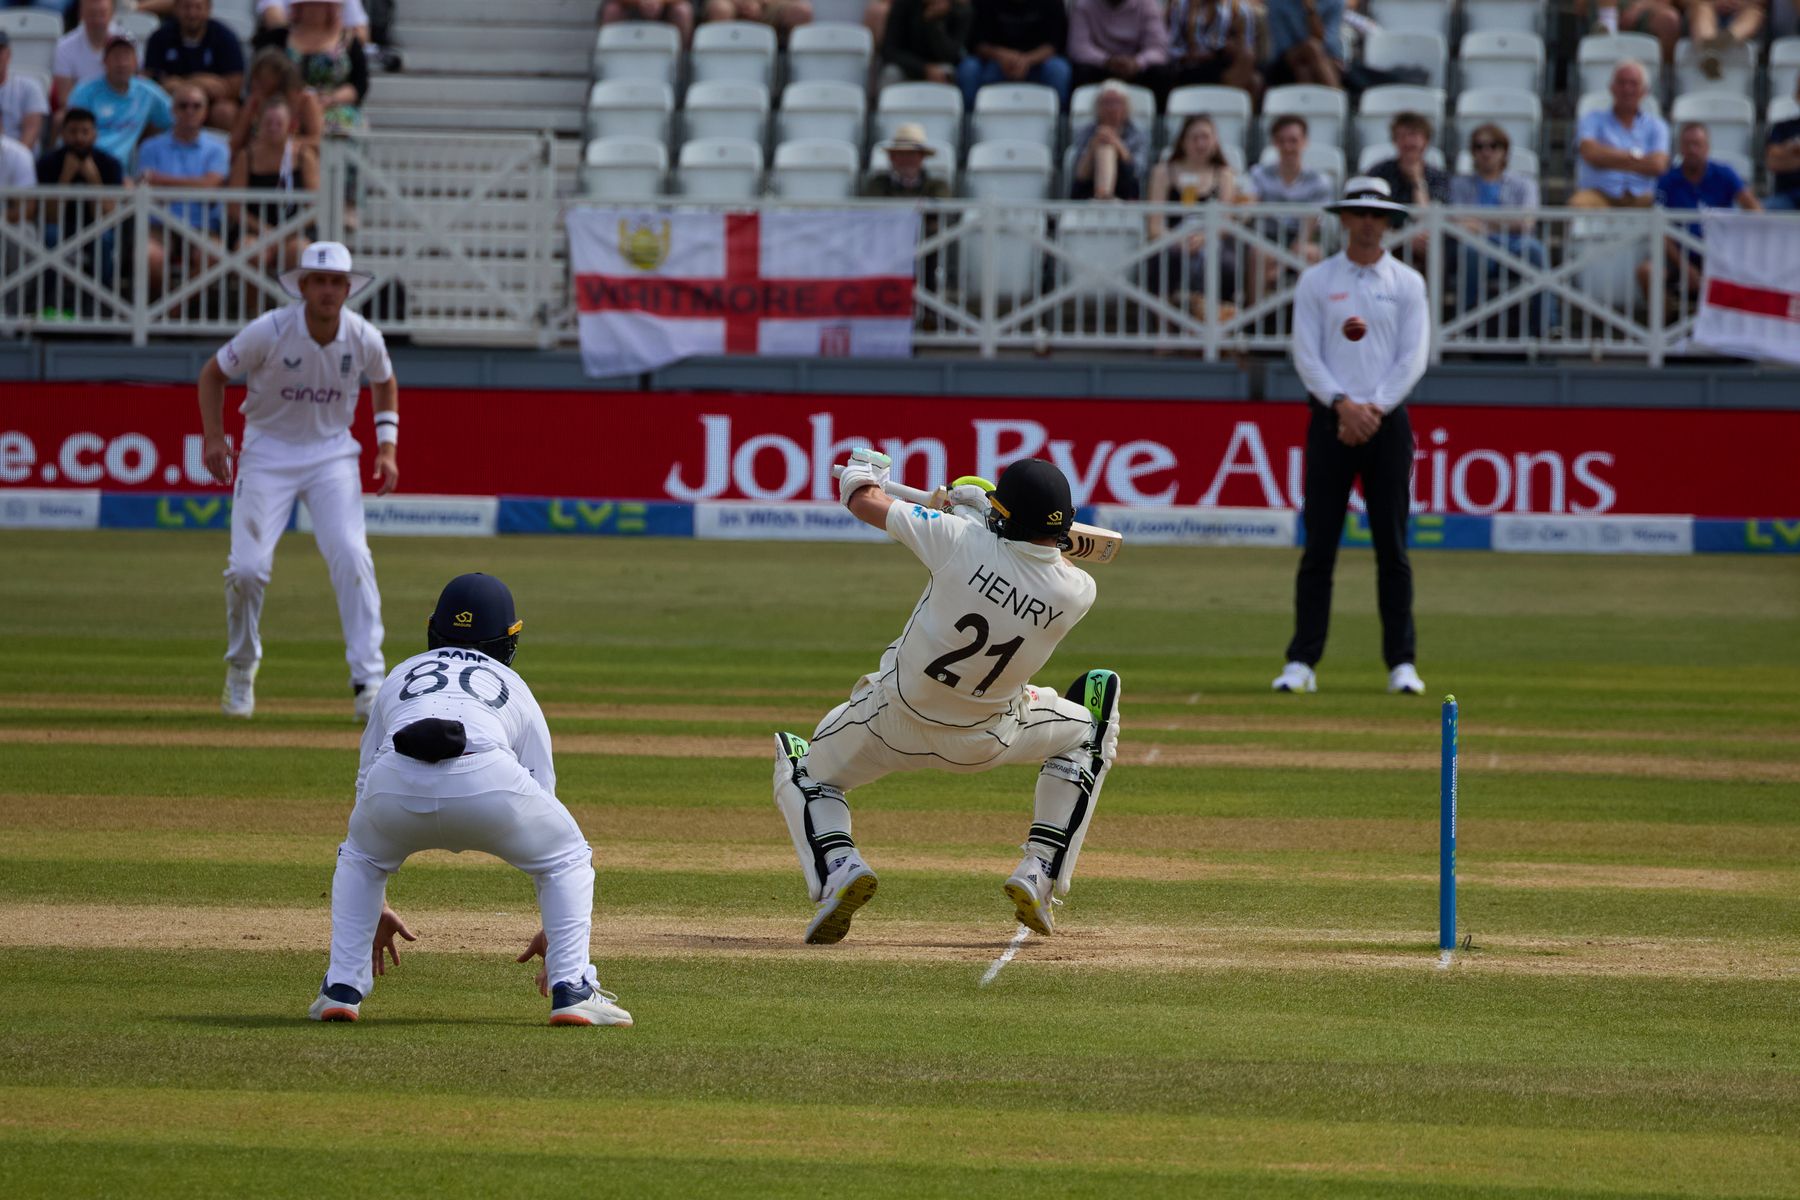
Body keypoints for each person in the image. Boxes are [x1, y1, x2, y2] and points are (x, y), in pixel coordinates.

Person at [775, 451, 1121, 943]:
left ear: (1003, 517)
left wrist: (864, 474)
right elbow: (1039, 559)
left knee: (803, 770)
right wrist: (982, 515)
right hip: (989, 737)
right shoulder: (1079, 592)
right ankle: (1040, 870)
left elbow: (863, 502)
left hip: (889, 723)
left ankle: (838, 866)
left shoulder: (956, 540)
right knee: (1088, 729)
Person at [308, 572, 634, 1028]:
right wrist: (559, 932)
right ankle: (572, 986)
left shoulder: (400, 674)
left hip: (395, 781)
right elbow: (543, 796)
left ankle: (340, 988)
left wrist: (372, 902)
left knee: (359, 857)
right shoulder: (514, 686)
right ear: (509, 640)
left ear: (432, 628)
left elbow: (366, 784)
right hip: (488, 780)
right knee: (567, 856)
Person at [197, 241, 396, 721]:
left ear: (347, 289)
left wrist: (386, 447)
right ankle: (241, 668)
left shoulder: (364, 336)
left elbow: (384, 381)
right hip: (267, 452)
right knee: (246, 569)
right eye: (319, 281)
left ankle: (369, 682)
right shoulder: (270, 330)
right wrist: (214, 438)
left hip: (332, 455)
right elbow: (212, 375)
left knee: (352, 555)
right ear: (303, 286)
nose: (328, 291)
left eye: (336, 283)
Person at [1275, 176, 1428, 697]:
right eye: (1358, 213)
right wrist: (1343, 405)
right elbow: (1306, 354)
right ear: (1344, 219)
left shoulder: (1407, 282)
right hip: (1330, 420)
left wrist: (1373, 409)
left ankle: (1401, 663)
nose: (1367, 222)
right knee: (1319, 547)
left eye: (1376, 214)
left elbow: (1413, 357)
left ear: (1387, 221)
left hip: (1386, 424)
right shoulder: (1318, 280)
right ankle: (1302, 661)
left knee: (1393, 547)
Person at [1450, 122, 1556, 336]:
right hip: (1478, 246)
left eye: (1493, 145)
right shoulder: (1458, 184)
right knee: (1470, 253)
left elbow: (1526, 223)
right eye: (1479, 147)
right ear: (1473, 152)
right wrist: (1506, 221)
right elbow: (1456, 221)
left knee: (1536, 251)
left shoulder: (1525, 184)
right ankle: (1466, 327)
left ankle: (1547, 327)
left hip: (1516, 244)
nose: (1486, 152)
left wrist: (1481, 222)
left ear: (1504, 151)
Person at [1638, 120, 1761, 299]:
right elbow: (1659, 229)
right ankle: (1667, 323)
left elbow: (1754, 208)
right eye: (1687, 144)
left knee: (1754, 269)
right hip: (1679, 258)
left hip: (1721, 256)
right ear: (1680, 148)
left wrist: (1739, 244)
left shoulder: (1724, 174)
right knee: (1647, 271)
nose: (1692, 149)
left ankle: (1730, 325)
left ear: (1707, 147)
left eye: (1697, 144)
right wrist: (1686, 268)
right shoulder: (1667, 181)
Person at [33, 107, 125, 312]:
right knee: (50, 236)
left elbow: (111, 215)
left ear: (95, 134)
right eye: (73, 132)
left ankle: (102, 303)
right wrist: (65, 178)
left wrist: (94, 181)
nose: (79, 138)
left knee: (105, 239)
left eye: (85, 132)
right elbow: (50, 216)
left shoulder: (110, 164)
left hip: (95, 226)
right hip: (60, 225)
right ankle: (46, 301)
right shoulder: (48, 163)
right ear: (63, 134)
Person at [228, 95, 317, 299]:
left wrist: (284, 233)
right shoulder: (246, 156)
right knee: (250, 251)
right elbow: (234, 207)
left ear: (290, 125)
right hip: (254, 228)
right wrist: (265, 231)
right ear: (259, 124)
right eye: (269, 123)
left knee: (301, 252)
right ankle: (253, 312)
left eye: (279, 123)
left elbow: (315, 206)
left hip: (296, 229)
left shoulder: (304, 155)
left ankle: (294, 312)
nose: (273, 128)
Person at [1147, 113, 1237, 304]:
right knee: (1164, 260)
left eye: (1205, 137)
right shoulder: (1163, 172)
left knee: (1227, 265)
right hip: (1172, 238)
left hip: (1211, 239)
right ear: (1182, 141)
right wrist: (1177, 240)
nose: (1200, 144)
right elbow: (1155, 225)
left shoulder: (1224, 174)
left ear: (1215, 141)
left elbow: (1226, 222)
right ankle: (1165, 327)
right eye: (1194, 138)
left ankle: (1218, 321)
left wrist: (1204, 238)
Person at [1241, 113, 1331, 300]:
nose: (1288, 147)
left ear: (1304, 142)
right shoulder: (1259, 174)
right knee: (1259, 254)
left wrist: (1285, 259)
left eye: (1293, 140)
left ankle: (1310, 322)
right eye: (1282, 141)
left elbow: (1313, 221)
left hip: (1302, 238)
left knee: (1311, 255)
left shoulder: (1319, 181)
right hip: (1267, 239)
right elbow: (1249, 203)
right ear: (1274, 143)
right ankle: (1255, 323)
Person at [1571, 61, 1670, 208]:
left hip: (1643, 197)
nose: (1627, 89)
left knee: (1666, 210)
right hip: (1599, 194)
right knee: (1578, 204)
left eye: (1633, 83)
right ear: (1612, 88)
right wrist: (1637, 157)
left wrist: (1606, 158)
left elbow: (1658, 165)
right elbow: (1590, 153)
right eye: (1622, 82)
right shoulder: (1591, 119)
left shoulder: (1657, 125)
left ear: (1644, 91)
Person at [264, 0, 367, 139]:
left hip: (334, 107)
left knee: (341, 126)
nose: (313, 10)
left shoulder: (348, 41)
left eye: (319, 4)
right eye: (309, 4)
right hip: (289, 107)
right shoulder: (278, 38)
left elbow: (359, 84)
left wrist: (331, 99)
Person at [67, 34, 172, 166]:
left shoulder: (147, 92)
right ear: (104, 61)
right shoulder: (84, 91)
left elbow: (175, 119)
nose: (122, 63)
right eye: (116, 57)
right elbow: (71, 135)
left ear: (136, 63)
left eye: (127, 56)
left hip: (121, 171)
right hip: (86, 162)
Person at [144, 0, 247, 131]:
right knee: (151, 113)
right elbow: (151, 83)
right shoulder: (159, 37)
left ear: (208, 9)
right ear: (176, 9)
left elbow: (233, 87)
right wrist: (201, 83)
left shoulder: (225, 37)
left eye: (198, 7)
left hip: (212, 105)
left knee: (225, 112)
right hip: (172, 103)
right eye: (186, 7)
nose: (192, 13)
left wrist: (183, 83)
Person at [958, 0, 1072, 110]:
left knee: (1059, 69)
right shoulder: (984, 3)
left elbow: (1054, 44)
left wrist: (1027, 60)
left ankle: (1060, 123)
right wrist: (1001, 55)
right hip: (994, 62)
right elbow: (976, 43)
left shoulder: (1052, 3)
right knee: (969, 68)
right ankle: (968, 123)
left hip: (1038, 64)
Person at [1366, 110, 1446, 262]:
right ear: (1395, 141)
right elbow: (1370, 213)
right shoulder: (1379, 172)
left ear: (1426, 141)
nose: (1408, 142)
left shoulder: (1438, 177)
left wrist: (1417, 181)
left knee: (1434, 248)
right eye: (1402, 136)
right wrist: (1405, 238)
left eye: (1414, 135)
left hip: (1423, 242)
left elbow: (1429, 219)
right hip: (1386, 238)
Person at [1067, 0, 1171, 99]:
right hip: (1100, 67)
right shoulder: (1084, 5)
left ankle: (1159, 116)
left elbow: (1158, 47)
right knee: (1082, 71)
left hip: (1137, 69)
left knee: (1161, 73)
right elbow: (1078, 47)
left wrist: (1137, 62)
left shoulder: (1147, 4)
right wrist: (1107, 60)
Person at [230, 47, 322, 154]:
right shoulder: (255, 100)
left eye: (260, 76)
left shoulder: (305, 99)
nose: (255, 82)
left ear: (278, 75)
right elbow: (235, 142)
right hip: (259, 159)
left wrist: (281, 143)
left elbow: (317, 142)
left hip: (295, 159)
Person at [1165, 0, 1260, 102]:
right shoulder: (1180, 6)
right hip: (1188, 67)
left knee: (1250, 68)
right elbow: (1168, 49)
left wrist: (1230, 47)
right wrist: (1190, 55)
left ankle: (1226, 104)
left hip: (1223, 64)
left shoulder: (1240, 10)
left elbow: (1247, 48)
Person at [1069, 78, 1146, 200]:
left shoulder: (1136, 132)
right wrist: (1092, 147)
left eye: (1116, 102)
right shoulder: (1086, 131)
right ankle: (1104, 197)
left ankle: (1103, 197)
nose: (1111, 108)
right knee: (1103, 147)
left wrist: (1118, 145)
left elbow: (1138, 170)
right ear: (1097, 106)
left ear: (1126, 107)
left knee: (1107, 147)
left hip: (1125, 188)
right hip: (1088, 188)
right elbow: (1078, 174)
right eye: (1106, 102)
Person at [51, 0, 127, 120]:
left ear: (112, 13)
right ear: (81, 13)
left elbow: (133, 86)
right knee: (60, 118)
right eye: (92, 13)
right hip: (83, 114)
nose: (97, 20)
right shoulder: (64, 46)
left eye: (102, 13)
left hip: (121, 108)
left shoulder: (127, 42)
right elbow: (66, 100)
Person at [879, 0, 971, 88]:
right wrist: (924, 69)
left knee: (947, 72)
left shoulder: (957, 10)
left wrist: (935, 22)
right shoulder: (903, 4)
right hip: (907, 66)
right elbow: (888, 51)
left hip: (939, 67)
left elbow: (950, 55)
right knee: (891, 72)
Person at [1265, 0, 1343, 89]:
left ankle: (1328, 99)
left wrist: (1311, 11)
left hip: (1325, 59)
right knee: (1312, 47)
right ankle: (1337, 97)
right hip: (1286, 61)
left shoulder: (1335, 2)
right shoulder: (1277, 3)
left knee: (1304, 70)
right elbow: (1283, 46)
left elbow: (1329, 44)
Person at [860, 122, 949, 197]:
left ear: (922, 157)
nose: (906, 159)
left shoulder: (937, 186)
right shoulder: (877, 184)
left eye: (912, 154)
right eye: (901, 154)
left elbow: (941, 212)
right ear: (892, 157)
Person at [0, 30, 50, 150]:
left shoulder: (29, 87)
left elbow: (31, 131)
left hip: (20, 162)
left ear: (8, 54)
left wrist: (12, 163)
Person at [1762, 73, 1800, 210]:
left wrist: (1790, 153)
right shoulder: (1782, 128)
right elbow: (1773, 162)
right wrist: (1790, 149)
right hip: (1786, 197)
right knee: (1760, 211)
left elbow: (1780, 157)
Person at [599, 0, 696, 50]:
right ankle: (608, 64)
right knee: (612, 11)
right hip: (629, 8)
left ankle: (682, 63)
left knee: (682, 11)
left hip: (668, 8)